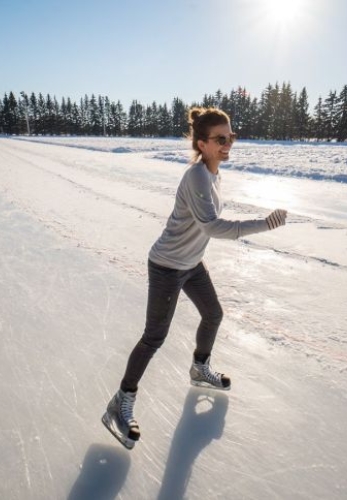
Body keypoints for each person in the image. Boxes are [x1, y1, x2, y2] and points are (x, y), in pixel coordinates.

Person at [102, 107, 287, 449]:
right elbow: (213, 226)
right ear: (202, 144)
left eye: (231, 137)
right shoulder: (196, 177)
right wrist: (264, 223)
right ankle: (120, 401)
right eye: (220, 139)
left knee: (213, 314)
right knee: (154, 337)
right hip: (167, 266)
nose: (228, 143)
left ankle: (199, 368)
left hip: (191, 263)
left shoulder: (214, 173)